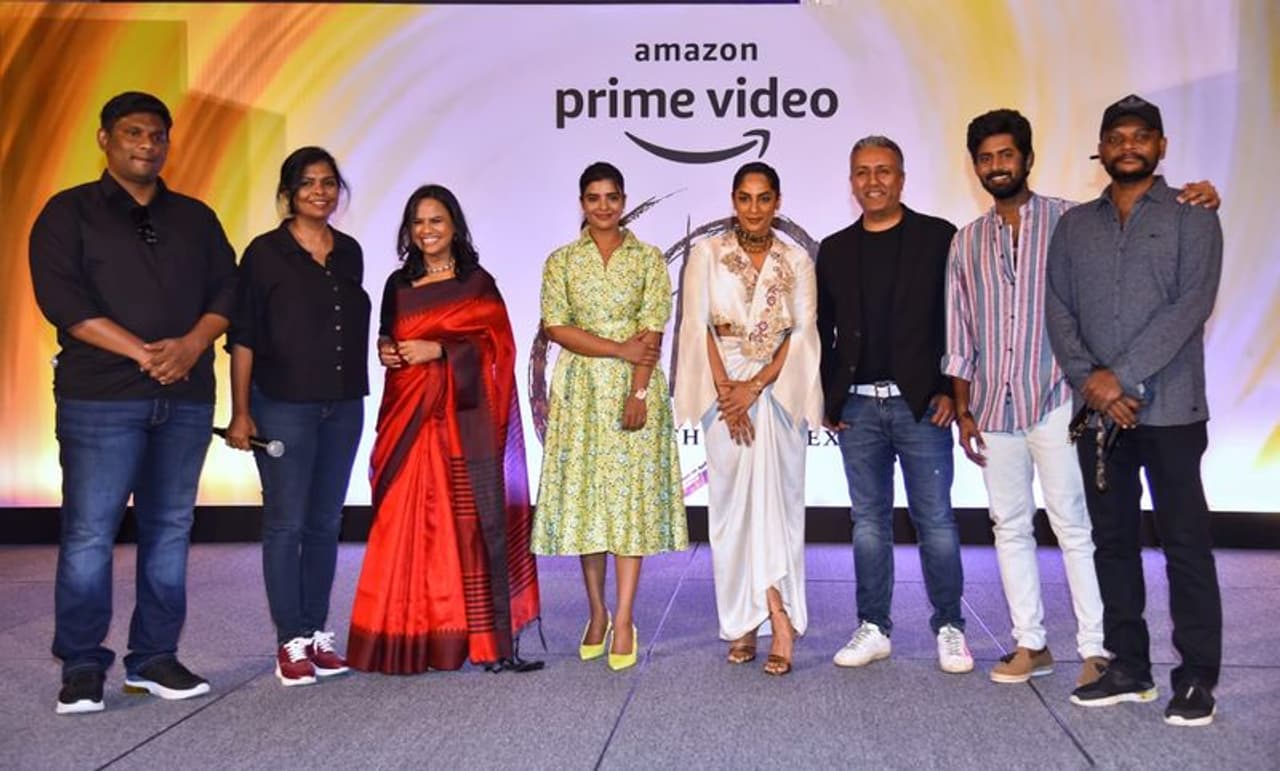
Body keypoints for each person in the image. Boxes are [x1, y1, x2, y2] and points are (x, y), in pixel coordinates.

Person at [946, 109, 1221, 690]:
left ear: (1027, 158)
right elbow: (963, 332)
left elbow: (1098, 309)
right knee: (1009, 527)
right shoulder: (967, 241)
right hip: (998, 405)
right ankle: (1032, 643)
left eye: (1007, 154)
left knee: (1078, 527)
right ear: (975, 167)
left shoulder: (1069, 220)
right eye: (986, 158)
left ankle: (1098, 650)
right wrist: (964, 407)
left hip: (1059, 399)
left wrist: (1104, 380)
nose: (997, 166)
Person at [29, 91, 236, 714]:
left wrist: (192, 345)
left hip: (186, 398)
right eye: (133, 133)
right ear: (105, 139)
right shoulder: (68, 212)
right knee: (90, 532)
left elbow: (228, 291)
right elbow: (62, 301)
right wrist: (145, 354)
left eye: (157, 135)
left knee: (170, 529)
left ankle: (154, 657)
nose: (147, 144)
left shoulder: (195, 217)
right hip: (100, 399)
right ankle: (82, 664)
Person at [1045, 94, 1224, 726]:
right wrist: (1092, 384)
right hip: (1100, 420)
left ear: (1160, 146)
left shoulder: (1193, 217)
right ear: (1100, 148)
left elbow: (1190, 307)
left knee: (1186, 545)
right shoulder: (1074, 226)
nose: (1128, 145)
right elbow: (1059, 311)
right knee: (1113, 543)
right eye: (1116, 136)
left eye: (1141, 135)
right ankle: (1128, 667)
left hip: (1172, 411)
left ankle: (1197, 677)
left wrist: (1117, 378)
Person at [347, 184, 542, 674]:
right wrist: (387, 351)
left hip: (460, 425)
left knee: (464, 528)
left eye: (436, 220)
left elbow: (499, 350)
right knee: (401, 522)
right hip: (409, 420)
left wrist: (440, 351)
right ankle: (402, 634)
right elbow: (389, 337)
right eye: (418, 222)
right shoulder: (398, 284)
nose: (426, 230)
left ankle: (473, 638)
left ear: (454, 226)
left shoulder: (477, 284)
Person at [816, 135, 973, 674]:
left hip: (923, 407)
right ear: (851, 181)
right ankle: (874, 627)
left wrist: (951, 390)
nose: (873, 181)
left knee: (937, 522)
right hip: (858, 409)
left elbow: (957, 319)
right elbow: (822, 332)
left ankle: (950, 626)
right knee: (868, 523)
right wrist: (829, 397)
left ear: (901, 179)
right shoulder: (835, 249)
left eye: (883, 170)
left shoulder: (938, 237)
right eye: (862, 172)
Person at [533, 161, 688, 672]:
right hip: (580, 394)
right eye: (594, 198)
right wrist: (618, 348)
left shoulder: (647, 258)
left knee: (627, 506)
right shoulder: (561, 261)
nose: (604, 206)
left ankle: (623, 619)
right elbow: (556, 327)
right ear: (582, 203)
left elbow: (653, 331)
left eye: (612, 197)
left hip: (631, 391)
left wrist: (638, 390)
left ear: (624, 201)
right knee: (588, 505)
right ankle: (596, 612)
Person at [223, 147, 369, 686]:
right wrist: (241, 412)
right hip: (281, 404)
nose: (319, 192)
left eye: (328, 182)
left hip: (343, 405)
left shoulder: (348, 252)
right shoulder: (264, 254)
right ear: (288, 192)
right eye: (307, 183)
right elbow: (243, 337)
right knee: (286, 523)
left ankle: (316, 631)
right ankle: (289, 639)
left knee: (326, 523)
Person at [673, 162, 822, 676]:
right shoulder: (706, 254)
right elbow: (695, 327)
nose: (754, 208)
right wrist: (727, 393)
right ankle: (741, 619)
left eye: (763, 198)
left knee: (780, 507)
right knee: (731, 509)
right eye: (744, 197)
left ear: (777, 201)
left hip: (778, 388)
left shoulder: (796, 259)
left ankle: (779, 618)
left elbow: (803, 334)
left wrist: (755, 387)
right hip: (723, 390)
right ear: (733, 201)